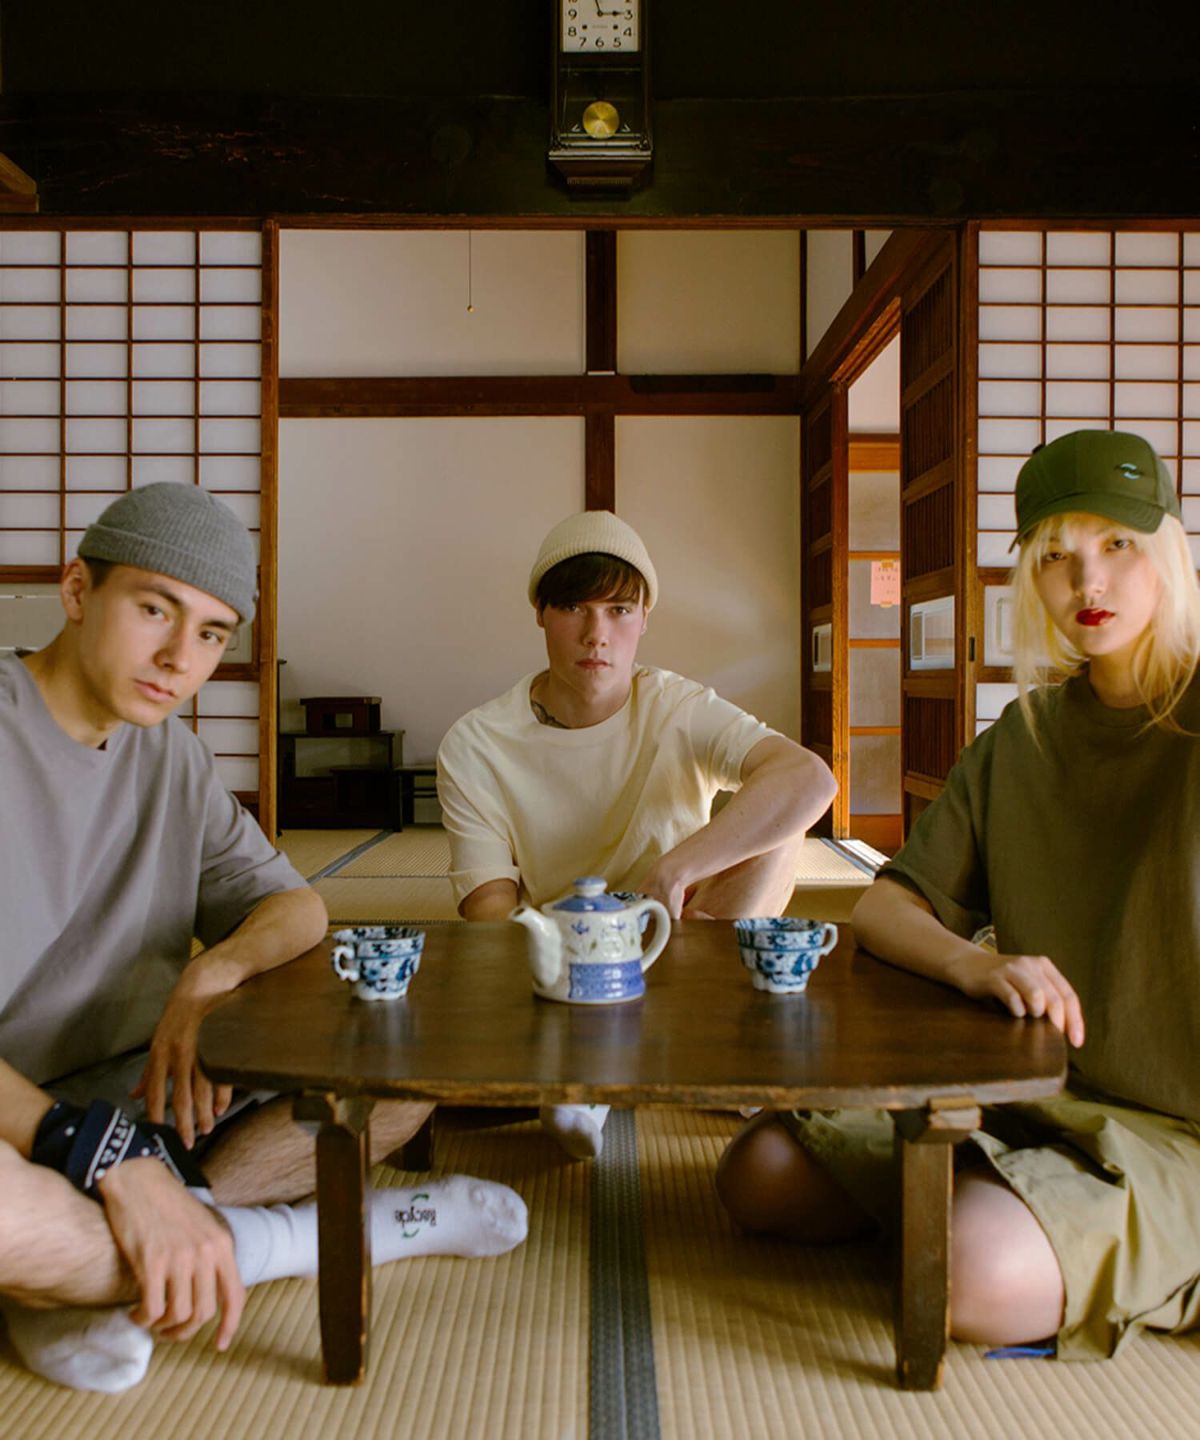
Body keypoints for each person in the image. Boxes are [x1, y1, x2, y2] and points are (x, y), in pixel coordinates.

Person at [0, 483, 527, 1394]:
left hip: (144, 1092)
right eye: (154, 609)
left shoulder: (172, 757)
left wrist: (212, 977)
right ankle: (303, 1238)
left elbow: (296, 908)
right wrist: (103, 1157)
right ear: (78, 591)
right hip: (21, 1123)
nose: (180, 657)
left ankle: (104, 1264)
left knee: (401, 1069)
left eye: (211, 633)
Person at [716, 428, 1200, 1361]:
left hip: (1172, 1132)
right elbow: (885, 908)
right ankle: (1002, 1213)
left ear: (1169, 551)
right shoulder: (1023, 737)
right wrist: (977, 966)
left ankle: (1034, 1232)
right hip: (1021, 1093)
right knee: (759, 1173)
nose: (1087, 581)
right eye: (1055, 555)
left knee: (968, 1270)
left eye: (1117, 545)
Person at [438, 510, 837, 1159]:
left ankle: (624, 1060)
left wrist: (675, 870)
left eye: (619, 610)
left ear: (645, 617)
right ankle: (653, 1050)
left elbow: (810, 779)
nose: (596, 633)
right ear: (541, 613)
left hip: (685, 938)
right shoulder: (477, 742)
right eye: (574, 607)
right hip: (569, 963)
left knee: (779, 822)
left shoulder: (677, 706)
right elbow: (488, 912)